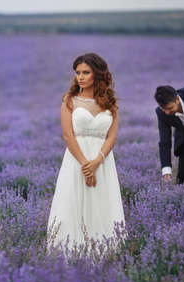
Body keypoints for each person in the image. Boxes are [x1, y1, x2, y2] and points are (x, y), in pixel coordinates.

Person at [46, 53, 125, 256]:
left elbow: (112, 136)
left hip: (103, 161)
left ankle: (103, 253)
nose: (80, 77)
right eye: (78, 73)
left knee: (102, 204)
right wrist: (85, 165)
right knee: (72, 205)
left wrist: (97, 161)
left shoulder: (110, 102)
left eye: (86, 72)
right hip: (76, 159)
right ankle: (71, 253)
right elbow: (67, 135)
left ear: (97, 74)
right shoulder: (69, 101)